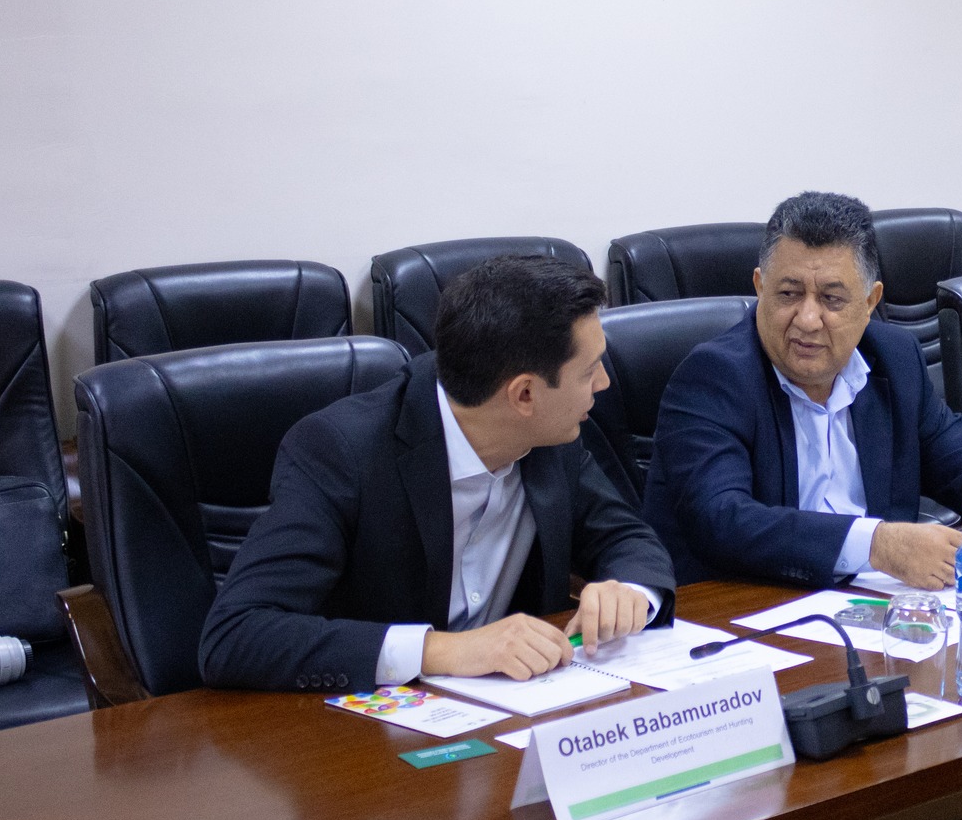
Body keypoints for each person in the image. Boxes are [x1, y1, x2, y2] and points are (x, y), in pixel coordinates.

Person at [200, 256, 675, 693]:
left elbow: (626, 537)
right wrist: (443, 651)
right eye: (589, 371)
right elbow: (234, 634)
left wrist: (628, 591)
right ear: (524, 395)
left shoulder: (552, 434)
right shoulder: (342, 451)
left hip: (516, 706)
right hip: (371, 723)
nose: (603, 383)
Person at [648, 191, 962, 589]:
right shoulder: (714, 376)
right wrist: (875, 545)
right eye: (789, 293)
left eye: (831, 299)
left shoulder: (894, 359)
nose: (808, 319)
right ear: (760, 287)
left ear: (870, 302)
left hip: (870, 607)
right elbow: (723, 519)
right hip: (749, 608)